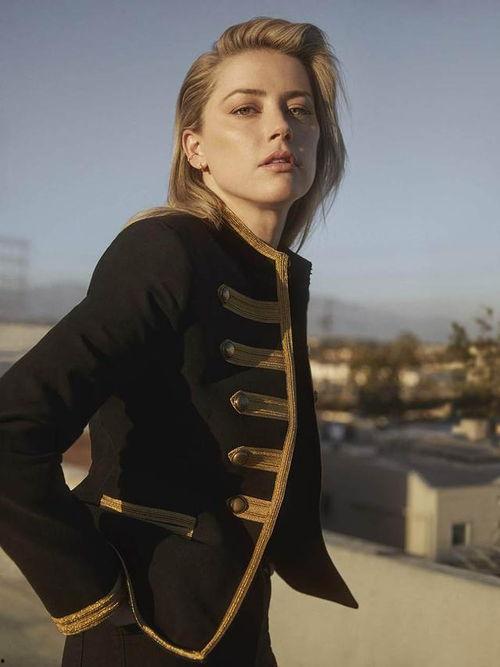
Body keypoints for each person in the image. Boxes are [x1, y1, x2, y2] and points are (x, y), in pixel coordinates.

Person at [0, 15, 359, 667]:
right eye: (246, 108)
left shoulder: (267, 271)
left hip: (238, 628)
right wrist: (96, 597)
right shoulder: (166, 250)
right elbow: (10, 427)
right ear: (195, 148)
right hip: (150, 636)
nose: (281, 127)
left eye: (300, 109)